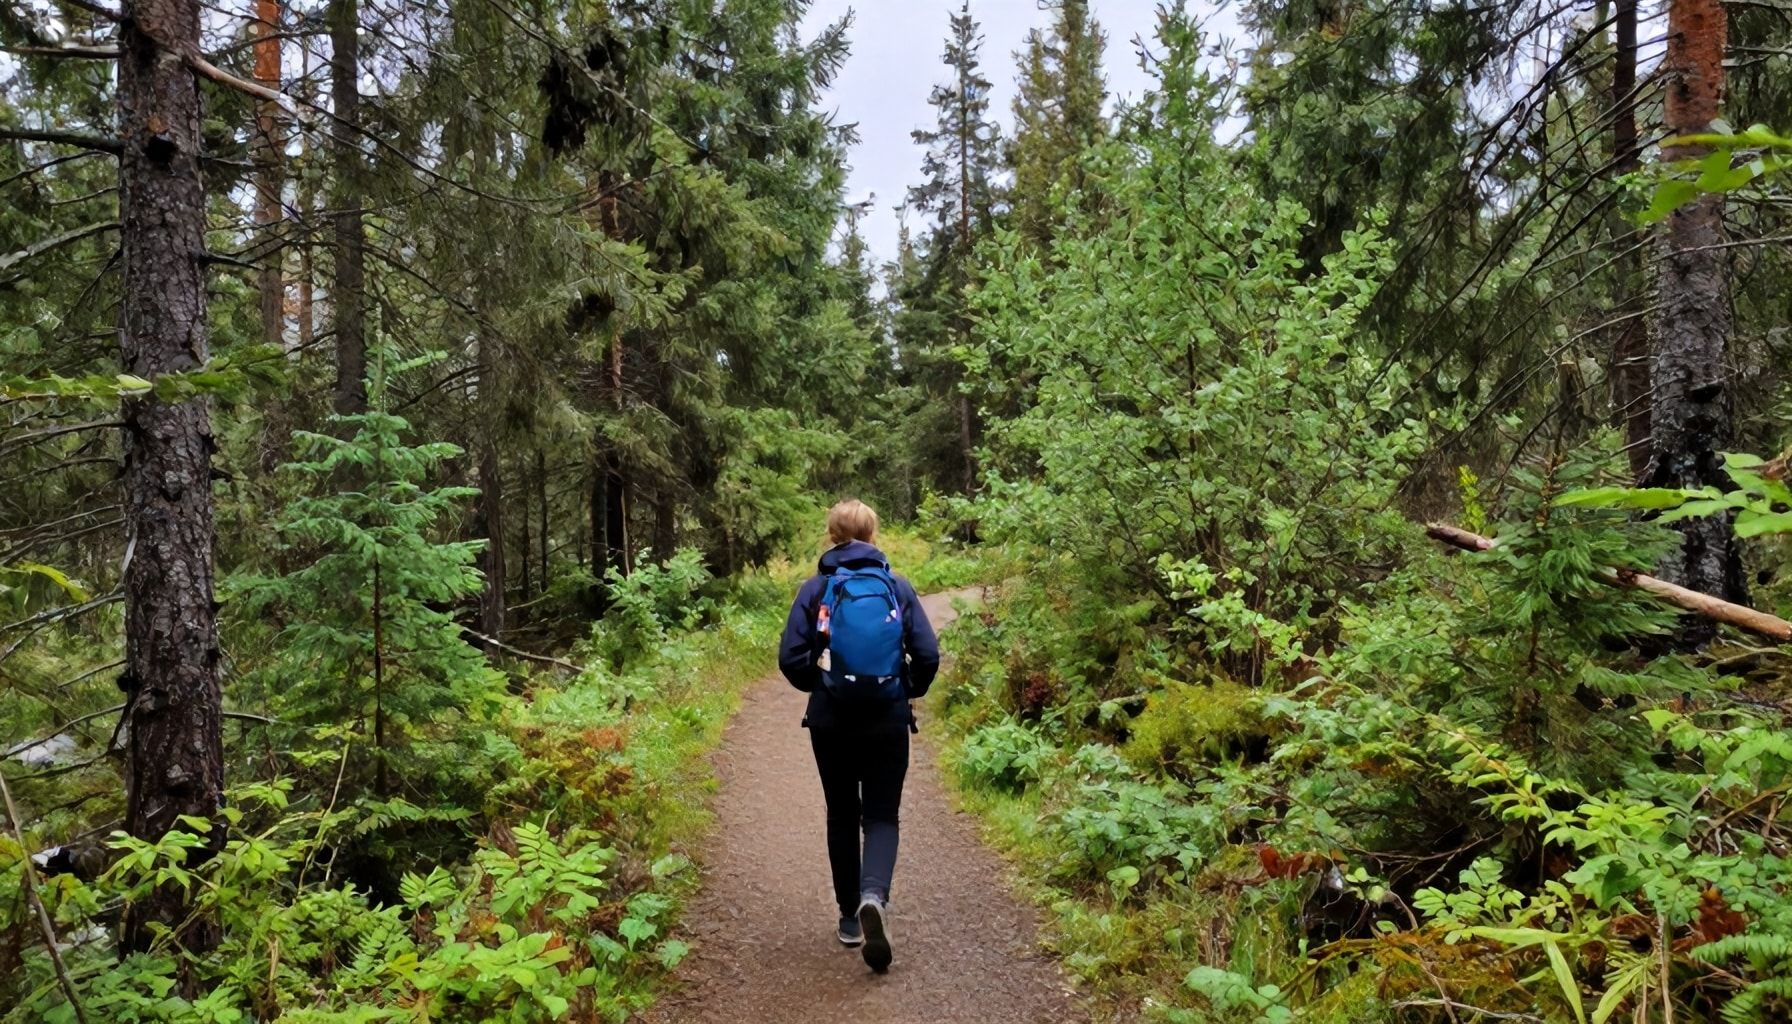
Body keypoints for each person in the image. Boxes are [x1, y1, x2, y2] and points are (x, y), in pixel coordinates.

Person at [778, 499, 939, 973]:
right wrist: (905, 689)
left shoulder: (816, 589)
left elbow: (791, 659)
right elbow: (927, 654)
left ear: (832, 536)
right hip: (888, 717)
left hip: (831, 721)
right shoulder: (897, 587)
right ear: (873, 536)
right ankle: (874, 895)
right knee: (883, 816)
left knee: (843, 813)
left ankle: (850, 917)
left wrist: (822, 684)